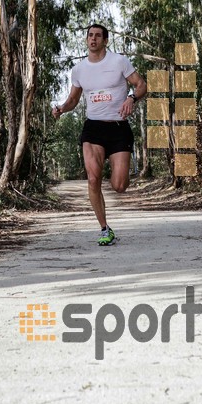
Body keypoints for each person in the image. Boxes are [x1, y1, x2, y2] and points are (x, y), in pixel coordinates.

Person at [52, 24, 147, 246]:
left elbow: (141, 85)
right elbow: (74, 100)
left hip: (118, 128)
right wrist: (61, 109)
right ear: (87, 40)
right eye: (90, 35)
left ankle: (123, 166)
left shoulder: (119, 62)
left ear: (105, 41)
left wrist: (132, 98)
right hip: (93, 128)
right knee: (93, 178)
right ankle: (105, 229)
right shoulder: (79, 70)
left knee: (119, 186)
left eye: (97, 36)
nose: (93, 39)